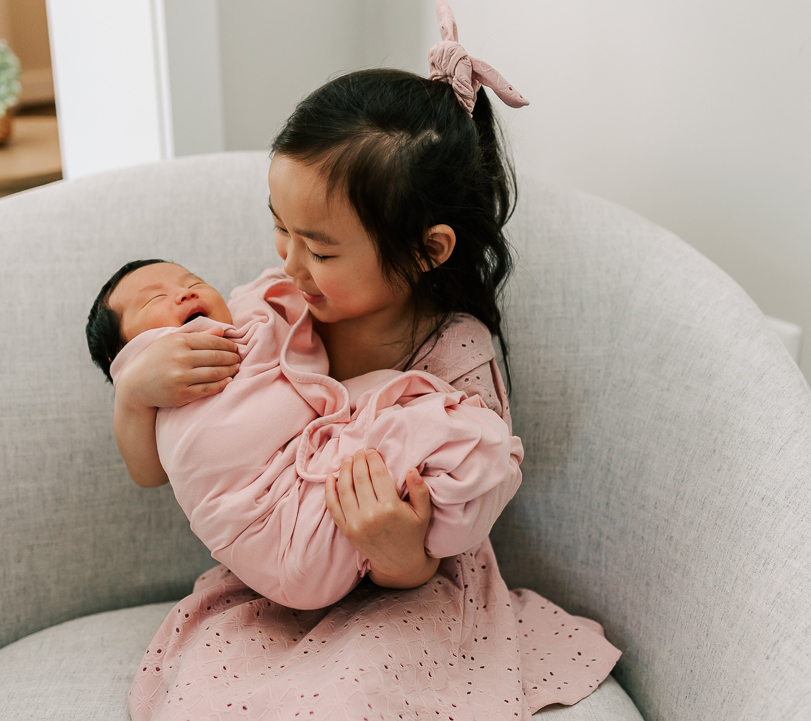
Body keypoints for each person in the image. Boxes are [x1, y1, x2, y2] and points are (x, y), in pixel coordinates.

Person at [119, 2, 620, 717]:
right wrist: (134, 393)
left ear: (428, 249)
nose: (289, 261)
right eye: (279, 227)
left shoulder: (456, 357)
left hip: (408, 591)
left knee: (364, 686)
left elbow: (461, 509)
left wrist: (397, 551)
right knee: (215, 691)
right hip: (276, 578)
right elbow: (160, 463)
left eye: (319, 249)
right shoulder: (271, 316)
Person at [86, 259, 522, 610]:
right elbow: (148, 471)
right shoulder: (158, 386)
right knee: (461, 437)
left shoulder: (260, 319)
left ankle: (443, 526)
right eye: (155, 300)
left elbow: (275, 298)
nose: (184, 292)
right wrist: (131, 388)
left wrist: (409, 556)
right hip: (271, 533)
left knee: (448, 435)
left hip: (330, 509)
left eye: (193, 281)